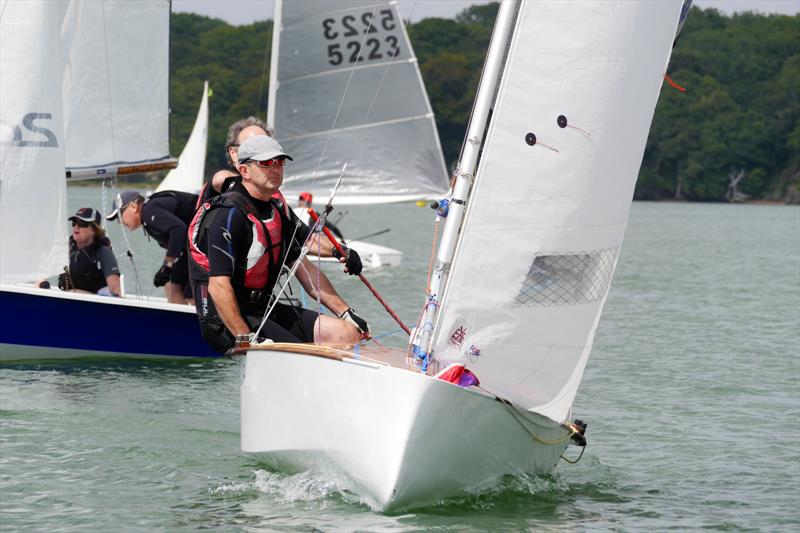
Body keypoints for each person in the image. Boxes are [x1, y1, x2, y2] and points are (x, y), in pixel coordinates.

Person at [188, 135, 369, 353]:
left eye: (280, 162)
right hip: (228, 320)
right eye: (265, 163)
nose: (275, 168)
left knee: (347, 333)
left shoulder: (275, 210)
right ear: (244, 171)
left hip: (263, 308)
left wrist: (342, 254)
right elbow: (218, 287)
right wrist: (246, 339)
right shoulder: (229, 215)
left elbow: (308, 242)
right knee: (300, 352)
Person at [106, 189, 197, 304]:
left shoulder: (149, 211)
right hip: (193, 247)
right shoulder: (148, 221)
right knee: (172, 284)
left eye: (119, 216)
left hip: (205, 239)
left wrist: (167, 266)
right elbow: (176, 244)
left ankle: (201, 319)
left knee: (191, 294)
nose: (119, 222)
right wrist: (166, 269)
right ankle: (179, 320)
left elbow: (179, 230)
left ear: (133, 206)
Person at [58, 207, 121, 297]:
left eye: (82, 223)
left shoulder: (103, 252)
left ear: (95, 229)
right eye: (74, 222)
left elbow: (116, 290)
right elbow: (43, 271)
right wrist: (42, 282)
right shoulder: (67, 248)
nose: (76, 226)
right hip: (65, 301)